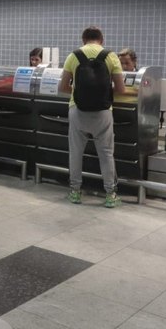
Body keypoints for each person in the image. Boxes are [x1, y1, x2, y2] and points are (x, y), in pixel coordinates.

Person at [58, 26, 130, 208]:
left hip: (77, 110)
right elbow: (121, 89)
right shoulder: (110, 56)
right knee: (106, 154)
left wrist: (79, 92)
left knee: (76, 152)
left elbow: (63, 87)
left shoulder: (74, 56)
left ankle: (75, 192)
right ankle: (110, 195)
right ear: (101, 40)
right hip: (103, 112)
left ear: (83, 40)